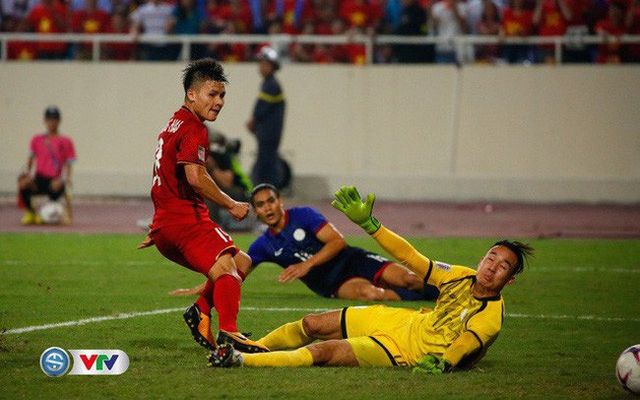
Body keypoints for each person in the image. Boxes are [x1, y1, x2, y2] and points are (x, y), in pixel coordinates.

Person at [209, 185, 533, 371]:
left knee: (326, 351)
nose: (492, 266)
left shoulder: (490, 316)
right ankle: (250, 348)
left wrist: (444, 362)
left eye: (503, 266)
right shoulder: (462, 276)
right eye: (491, 256)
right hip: (400, 322)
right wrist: (371, 225)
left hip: (406, 351)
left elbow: (468, 342)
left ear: (510, 280)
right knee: (312, 324)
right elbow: (412, 256)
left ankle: (239, 361)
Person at [138, 58, 268, 354]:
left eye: (222, 95)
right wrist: (231, 202)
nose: (219, 101)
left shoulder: (173, 124)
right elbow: (195, 177)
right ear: (191, 94)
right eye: (212, 94)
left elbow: (163, 176)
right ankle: (230, 334)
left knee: (243, 262)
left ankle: (200, 311)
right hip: (185, 220)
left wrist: (160, 224)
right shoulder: (194, 128)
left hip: (169, 224)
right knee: (227, 270)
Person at [171, 183, 438, 301]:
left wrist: (306, 265)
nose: (268, 208)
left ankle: (448, 291)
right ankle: (425, 303)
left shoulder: (304, 215)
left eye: (271, 201)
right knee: (371, 295)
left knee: (409, 279)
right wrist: (203, 289)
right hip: (332, 283)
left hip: (353, 261)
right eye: (261, 205)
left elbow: (337, 242)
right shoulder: (263, 246)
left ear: (280, 202)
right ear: (257, 211)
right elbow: (235, 273)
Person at [18, 106, 76, 225]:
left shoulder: (66, 141)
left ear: (59, 121)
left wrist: (63, 180)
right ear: (44, 121)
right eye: (49, 119)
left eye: (55, 119)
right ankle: (31, 213)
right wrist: (28, 175)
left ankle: (48, 213)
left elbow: (69, 164)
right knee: (23, 184)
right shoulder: (37, 139)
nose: (52, 122)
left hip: (55, 179)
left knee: (57, 188)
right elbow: (30, 159)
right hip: (39, 177)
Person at [246, 46, 287, 188]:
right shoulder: (268, 84)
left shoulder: (271, 85)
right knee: (266, 161)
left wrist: (253, 120)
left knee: (266, 163)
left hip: (269, 134)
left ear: (273, 66)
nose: (261, 67)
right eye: (261, 64)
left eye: (265, 64)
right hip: (268, 133)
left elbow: (261, 107)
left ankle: (264, 189)